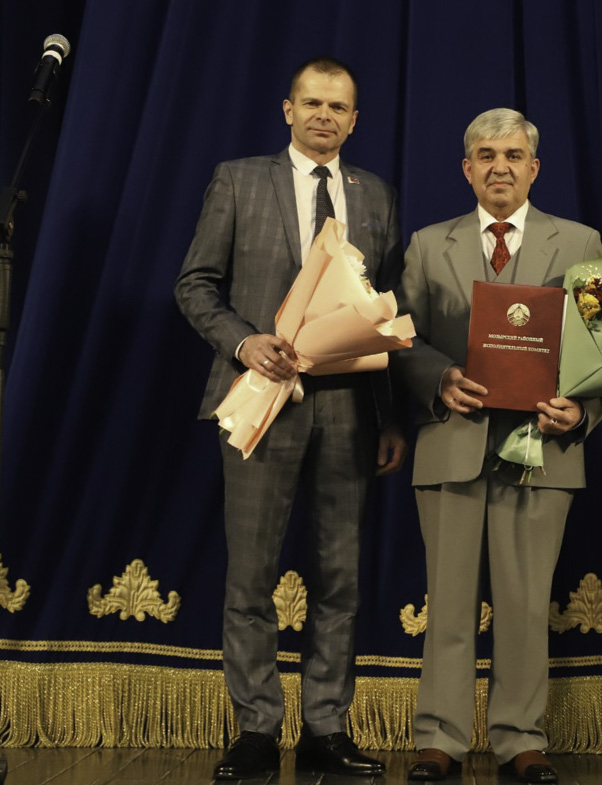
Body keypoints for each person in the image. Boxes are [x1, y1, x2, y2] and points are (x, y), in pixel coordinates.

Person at [175, 57, 405, 780]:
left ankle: (326, 730)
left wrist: (390, 417)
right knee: (251, 575)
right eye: (312, 103)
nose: (323, 116)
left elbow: (387, 314)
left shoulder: (375, 195)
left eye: (337, 107)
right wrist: (244, 342)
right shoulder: (238, 180)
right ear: (288, 110)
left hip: (349, 409)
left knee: (341, 576)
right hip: (261, 398)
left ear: (354, 120)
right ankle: (256, 729)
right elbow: (194, 285)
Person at [394, 108, 602, 784]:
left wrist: (582, 409)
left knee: (524, 604)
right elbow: (399, 339)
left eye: (513, 155)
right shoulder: (429, 244)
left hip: (543, 449)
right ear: (467, 169)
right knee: (448, 604)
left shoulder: (582, 241)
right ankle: (440, 736)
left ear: (534, 168)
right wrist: (437, 377)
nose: (500, 167)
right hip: (451, 443)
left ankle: (521, 737)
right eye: (485, 155)